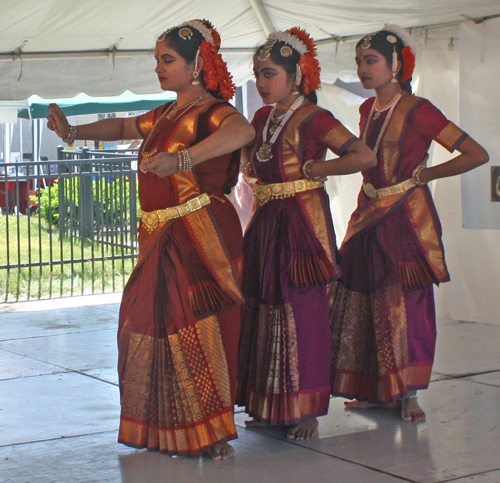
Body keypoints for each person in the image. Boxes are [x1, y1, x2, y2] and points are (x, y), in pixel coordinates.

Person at [47, 19, 254, 460]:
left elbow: (242, 133)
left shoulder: (213, 111)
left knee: (198, 326)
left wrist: (184, 158)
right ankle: (169, 423)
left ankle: (213, 430)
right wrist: (71, 132)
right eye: (157, 60)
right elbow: (124, 128)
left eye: (168, 60)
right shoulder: (166, 114)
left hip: (199, 231)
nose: (159, 68)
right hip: (160, 232)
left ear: (197, 63)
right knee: (150, 322)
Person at [329, 25, 489, 422]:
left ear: (396, 64)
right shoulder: (367, 110)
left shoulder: (420, 109)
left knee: (407, 304)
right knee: (364, 299)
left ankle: (408, 394)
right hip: (368, 215)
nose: (364, 70)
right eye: (360, 63)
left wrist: (427, 176)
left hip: (405, 216)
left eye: (372, 61)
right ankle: (372, 390)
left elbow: (475, 153)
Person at [236, 28, 376, 441]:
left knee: (302, 310)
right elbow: (249, 152)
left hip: (301, 219)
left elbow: (362, 154)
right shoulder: (263, 117)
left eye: (270, 74)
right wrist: (245, 164)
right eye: (258, 74)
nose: (262, 83)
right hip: (266, 218)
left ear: (296, 76)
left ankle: (308, 410)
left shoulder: (315, 118)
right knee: (265, 306)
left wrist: (320, 170)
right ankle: (270, 405)